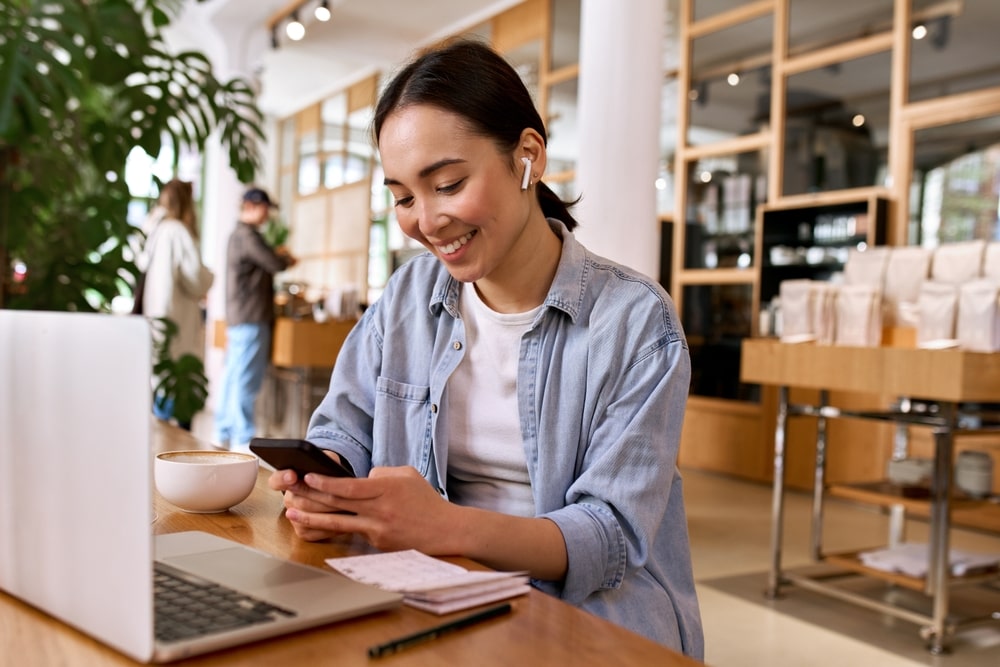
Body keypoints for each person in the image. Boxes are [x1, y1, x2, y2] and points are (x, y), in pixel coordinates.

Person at [267, 39, 703, 658]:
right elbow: (347, 427)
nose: (426, 220)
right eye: (403, 197)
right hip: (435, 595)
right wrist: (329, 480)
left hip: (591, 621)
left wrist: (441, 527)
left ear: (527, 157)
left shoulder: (635, 322)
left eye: (447, 183)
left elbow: (609, 536)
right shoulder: (409, 294)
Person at [214, 187, 296, 450]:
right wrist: (285, 257)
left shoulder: (235, 236)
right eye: (264, 208)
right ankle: (242, 439)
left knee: (233, 376)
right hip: (251, 317)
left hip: (239, 316)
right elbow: (274, 263)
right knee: (245, 379)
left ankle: (224, 430)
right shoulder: (248, 237)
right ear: (252, 206)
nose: (267, 215)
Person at [137, 178, 214, 429]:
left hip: (157, 321)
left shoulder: (155, 231)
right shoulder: (178, 232)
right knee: (178, 394)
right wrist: (210, 275)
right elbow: (196, 280)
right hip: (177, 324)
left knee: (159, 388)